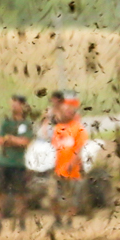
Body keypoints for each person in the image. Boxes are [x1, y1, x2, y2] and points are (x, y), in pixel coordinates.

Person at [43, 91, 88, 225]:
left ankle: (69, 221)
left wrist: (72, 163)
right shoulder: (58, 128)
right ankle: (57, 219)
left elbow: (79, 149)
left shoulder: (78, 129)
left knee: (71, 198)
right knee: (53, 196)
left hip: (72, 170)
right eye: (65, 111)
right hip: (58, 169)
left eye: (69, 111)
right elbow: (52, 145)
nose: (67, 113)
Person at [0, 95, 33, 225]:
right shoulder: (6, 122)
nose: (13, 106)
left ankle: (21, 217)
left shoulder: (26, 124)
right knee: (0, 190)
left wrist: (10, 139)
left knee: (20, 193)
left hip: (18, 163)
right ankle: (0, 213)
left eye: (16, 103)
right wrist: (12, 141)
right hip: (4, 162)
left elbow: (25, 142)